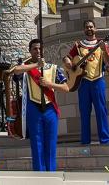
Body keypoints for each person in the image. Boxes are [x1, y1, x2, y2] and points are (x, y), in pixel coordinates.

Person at [8, 37, 73, 172]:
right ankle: (39, 175)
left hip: (50, 109)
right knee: (36, 144)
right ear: (30, 51)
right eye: (34, 49)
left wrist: (49, 84)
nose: (38, 51)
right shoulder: (27, 68)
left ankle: (51, 173)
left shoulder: (53, 68)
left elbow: (66, 87)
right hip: (33, 108)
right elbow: (16, 71)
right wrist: (36, 65)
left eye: (40, 48)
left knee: (50, 144)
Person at [65, 19, 109, 145]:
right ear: (84, 30)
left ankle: (105, 140)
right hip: (83, 82)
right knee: (84, 111)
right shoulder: (78, 45)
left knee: (101, 110)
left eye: (91, 27)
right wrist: (68, 63)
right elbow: (67, 57)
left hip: (98, 80)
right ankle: (85, 140)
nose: (89, 29)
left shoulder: (103, 44)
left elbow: (108, 62)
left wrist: (103, 50)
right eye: (87, 27)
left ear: (95, 29)